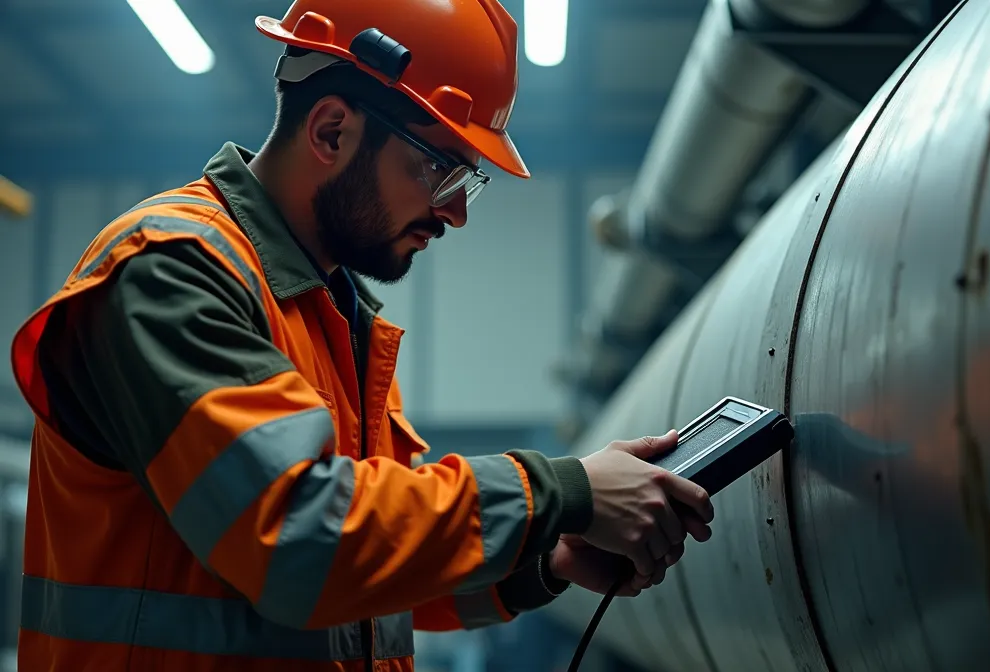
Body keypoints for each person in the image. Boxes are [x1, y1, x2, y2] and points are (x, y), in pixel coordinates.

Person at [7, 1, 714, 670]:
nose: (454, 214)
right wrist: (562, 491)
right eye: (439, 171)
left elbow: (362, 578)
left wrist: (542, 556)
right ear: (332, 132)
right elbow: (300, 545)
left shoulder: (333, 317)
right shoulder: (171, 272)